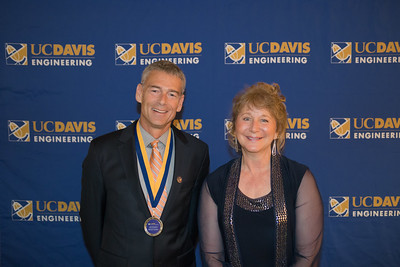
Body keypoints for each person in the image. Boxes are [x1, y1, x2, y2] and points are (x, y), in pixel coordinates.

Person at [80, 60, 210, 267]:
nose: (162, 101)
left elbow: (194, 221)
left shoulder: (197, 151)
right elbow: (91, 219)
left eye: (172, 94)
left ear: (180, 102)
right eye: (155, 90)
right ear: (139, 93)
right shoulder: (102, 150)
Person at [198, 82, 323, 267]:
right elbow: (211, 257)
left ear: (277, 131)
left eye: (264, 119)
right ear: (233, 127)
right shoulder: (215, 183)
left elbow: (307, 257)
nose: (254, 128)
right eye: (246, 118)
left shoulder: (299, 179)